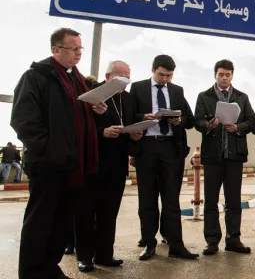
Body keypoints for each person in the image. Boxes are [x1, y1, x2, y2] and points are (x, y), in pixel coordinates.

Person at [11, 27, 107, 279]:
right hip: (49, 165)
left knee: (62, 223)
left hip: (74, 164)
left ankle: (48, 267)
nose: (78, 54)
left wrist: (95, 111)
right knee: (40, 223)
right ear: (55, 49)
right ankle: (32, 272)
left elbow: (76, 121)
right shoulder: (36, 77)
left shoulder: (77, 80)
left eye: (80, 49)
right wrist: (48, 150)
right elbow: (23, 120)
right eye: (73, 48)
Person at [71, 61, 143, 272]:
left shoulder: (128, 99)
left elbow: (128, 125)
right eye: (122, 78)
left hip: (118, 163)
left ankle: (104, 254)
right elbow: (79, 124)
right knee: (86, 211)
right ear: (108, 76)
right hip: (93, 161)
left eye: (128, 77)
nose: (125, 82)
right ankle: (84, 256)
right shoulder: (92, 93)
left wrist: (135, 137)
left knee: (109, 211)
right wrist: (102, 131)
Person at [130, 54, 198, 261]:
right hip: (147, 147)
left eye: (169, 75)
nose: (164, 79)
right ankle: (149, 244)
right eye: (161, 75)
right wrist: (144, 117)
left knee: (171, 199)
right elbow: (129, 114)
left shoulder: (177, 91)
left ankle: (176, 245)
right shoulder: (138, 88)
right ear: (153, 70)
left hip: (170, 147)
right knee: (147, 198)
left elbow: (190, 119)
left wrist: (179, 121)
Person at [194, 59, 255, 256]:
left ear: (232, 76)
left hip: (234, 156)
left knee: (233, 200)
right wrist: (208, 126)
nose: (224, 78)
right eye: (220, 74)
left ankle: (233, 239)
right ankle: (212, 241)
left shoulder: (241, 97)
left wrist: (239, 128)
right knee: (211, 200)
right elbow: (196, 121)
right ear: (215, 75)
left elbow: (252, 121)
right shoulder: (204, 96)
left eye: (227, 75)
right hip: (212, 156)